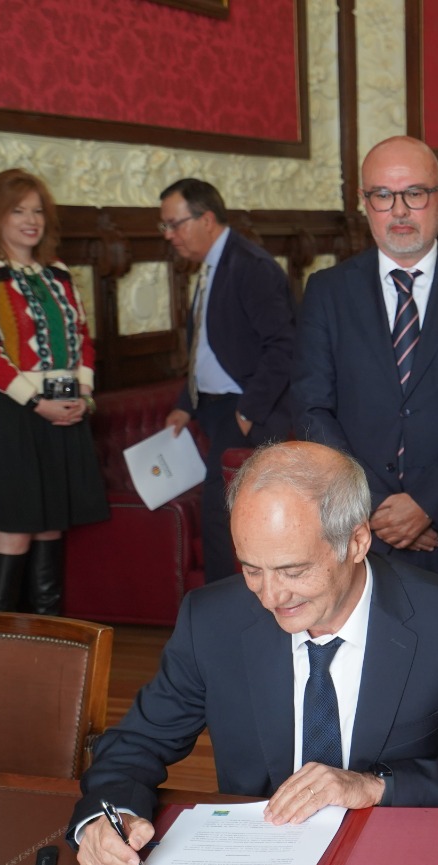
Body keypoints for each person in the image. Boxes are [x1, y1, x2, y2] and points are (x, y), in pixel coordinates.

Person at [70, 441, 438, 865]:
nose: (271, 597)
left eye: (293, 571)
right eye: (252, 569)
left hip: (398, 863)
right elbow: (136, 744)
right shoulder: (212, 621)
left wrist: (373, 786)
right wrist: (108, 817)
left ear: (356, 542)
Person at [294, 136, 438, 624]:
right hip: (360, 537)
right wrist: (374, 507)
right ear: (364, 203)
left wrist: (427, 504)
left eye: (414, 193)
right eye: (382, 195)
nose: (399, 210)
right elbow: (312, 408)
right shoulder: (327, 291)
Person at [0, 168, 108, 613]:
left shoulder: (57, 272)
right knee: (16, 528)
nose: (31, 220)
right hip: (7, 413)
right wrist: (37, 402)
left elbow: (83, 339)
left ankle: (48, 633)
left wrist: (83, 395)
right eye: (18, 210)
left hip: (64, 409)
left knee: (50, 526)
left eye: (37, 211)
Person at [159, 178, 297, 584]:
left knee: (222, 516)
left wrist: (247, 413)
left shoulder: (250, 266)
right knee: (217, 513)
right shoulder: (209, 266)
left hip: (246, 410)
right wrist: (185, 403)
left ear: (206, 219)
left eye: (175, 224)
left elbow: (284, 346)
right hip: (213, 408)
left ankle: (223, 606)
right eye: (165, 226)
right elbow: (206, 346)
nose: (169, 235)